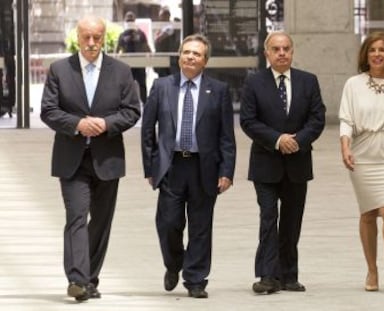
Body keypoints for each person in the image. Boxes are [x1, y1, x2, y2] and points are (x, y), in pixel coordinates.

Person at [40, 15, 140, 301]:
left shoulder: (121, 71)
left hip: (107, 158)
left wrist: (107, 124)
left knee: (100, 222)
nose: (92, 42)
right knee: (76, 216)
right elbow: (48, 110)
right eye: (87, 37)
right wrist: (77, 124)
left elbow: (132, 111)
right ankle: (77, 279)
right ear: (78, 37)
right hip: (72, 158)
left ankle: (89, 278)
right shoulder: (59, 69)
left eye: (97, 37)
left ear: (105, 37)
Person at [141, 34, 236, 299]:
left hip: (203, 167)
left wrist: (227, 171)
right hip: (171, 166)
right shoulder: (161, 87)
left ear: (205, 61)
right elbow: (148, 129)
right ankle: (173, 264)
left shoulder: (218, 91)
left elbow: (226, 136)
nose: (190, 57)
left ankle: (195, 279)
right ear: (179, 56)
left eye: (196, 54)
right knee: (168, 223)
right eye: (186, 52)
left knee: (201, 226)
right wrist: (150, 167)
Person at [240, 31, 325, 294]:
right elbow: (248, 120)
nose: (281, 53)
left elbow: (317, 118)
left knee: (291, 220)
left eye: (286, 48)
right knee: (268, 217)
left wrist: (297, 140)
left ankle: (288, 275)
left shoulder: (308, 81)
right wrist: (278, 139)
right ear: (267, 53)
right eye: (276, 49)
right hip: (266, 162)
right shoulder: (254, 83)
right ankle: (267, 275)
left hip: (298, 163)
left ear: (292, 51)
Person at [339, 31, 384, 293]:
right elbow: (346, 120)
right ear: (365, 55)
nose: (377, 54)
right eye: (372, 50)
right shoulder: (353, 84)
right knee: (369, 213)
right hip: (363, 153)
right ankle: (372, 270)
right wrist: (345, 147)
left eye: (382, 50)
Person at [117, 11, 151, 104]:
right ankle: (128, 105)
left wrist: (149, 58)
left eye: (131, 20)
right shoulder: (123, 35)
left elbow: (147, 48)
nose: (130, 22)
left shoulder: (140, 34)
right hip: (128, 65)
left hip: (140, 64)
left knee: (142, 85)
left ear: (135, 20)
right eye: (128, 20)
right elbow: (117, 50)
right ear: (125, 21)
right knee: (127, 86)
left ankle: (145, 104)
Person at [153, 6, 179, 77]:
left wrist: (159, 37)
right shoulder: (159, 28)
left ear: (168, 16)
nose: (161, 18)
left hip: (170, 59)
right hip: (161, 58)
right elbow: (156, 41)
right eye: (161, 16)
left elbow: (160, 38)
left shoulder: (172, 26)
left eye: (163, 15)